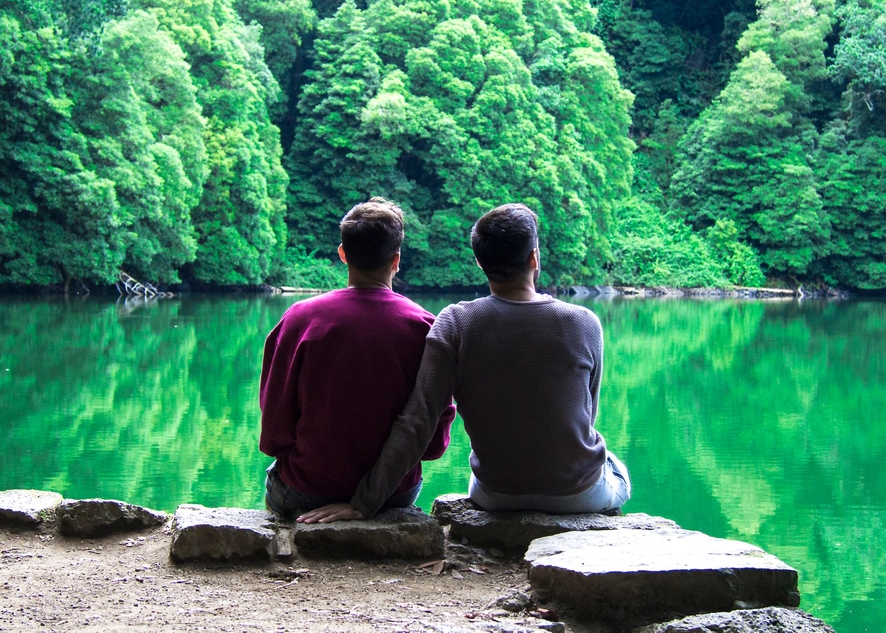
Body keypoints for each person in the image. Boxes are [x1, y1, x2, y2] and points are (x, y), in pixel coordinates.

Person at [297, 203, 630, 523]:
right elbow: (586, 416)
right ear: (534, 258)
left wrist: (365, 503)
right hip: (579, 493)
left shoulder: (456, 323)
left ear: (479, 262)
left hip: (497, 494)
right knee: (615, 466)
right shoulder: (583, 322)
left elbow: (417, 421)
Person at [259, 197, 455, 517]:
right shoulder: (426, 327)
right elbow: (433, 441)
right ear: (396, 260)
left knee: (275, 485)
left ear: (342, 254)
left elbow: (275, 430)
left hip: (307, 488)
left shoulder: (299, 320)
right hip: (393, 493)